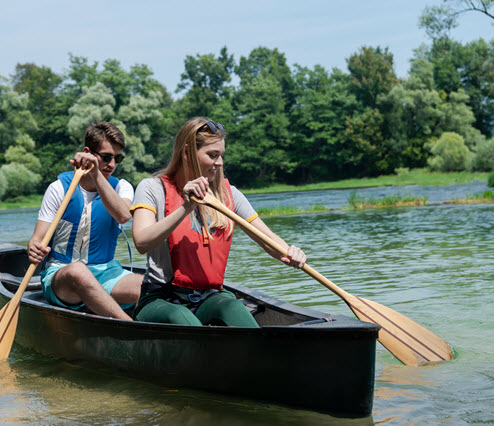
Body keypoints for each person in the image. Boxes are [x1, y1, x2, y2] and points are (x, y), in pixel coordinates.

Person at [130, 117, 306, 327]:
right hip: (160, 299)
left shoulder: (228, 194)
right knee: (181, 318)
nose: (220, 162)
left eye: (221, 155)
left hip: (207, 298)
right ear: (187, 153)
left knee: (232, 306)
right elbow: (141, 242)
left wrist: (290, 252)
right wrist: (186, 207)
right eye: (212, 155)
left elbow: (268, 239)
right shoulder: (151, 188)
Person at [28, 121, 142, 321]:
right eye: (106, 157)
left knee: (149, 288)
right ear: (88, 152)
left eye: (118, 158)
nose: (113, 165)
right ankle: (129, 326)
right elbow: (37, 240)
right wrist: (33, 248)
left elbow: (123, 215)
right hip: (62, 277)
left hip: (106, 273)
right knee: (78, 272)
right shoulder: (58, 189)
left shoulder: (122, 187)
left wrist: (97, 174)